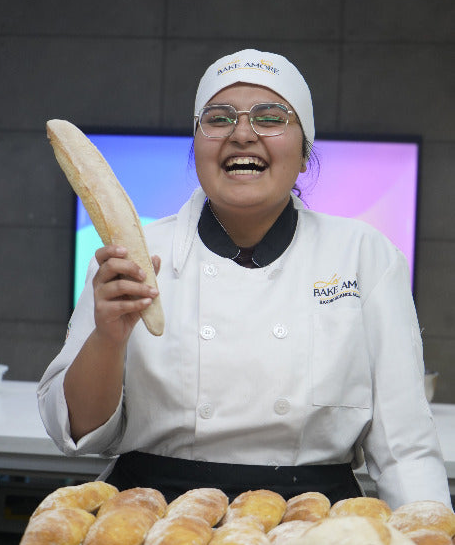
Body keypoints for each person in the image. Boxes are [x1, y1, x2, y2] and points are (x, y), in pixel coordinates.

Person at [38, 48, 451, 510]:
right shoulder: (129, 258)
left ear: (303, 153)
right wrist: (109, 338)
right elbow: (75, 431)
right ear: (195, 147)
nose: (241, 134)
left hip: (313, 518)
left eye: (270, 117)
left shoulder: (363, 255)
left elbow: (405, 451)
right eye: (218, 118)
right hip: (152, 512)